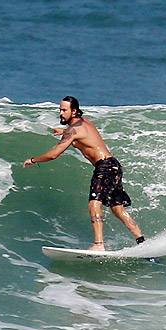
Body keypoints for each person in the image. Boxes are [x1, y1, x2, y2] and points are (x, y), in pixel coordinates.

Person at [23, 96, 145, 251]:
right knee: (118, 209)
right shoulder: (84, 122)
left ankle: (99, 245)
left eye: (64, 110)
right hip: (114, 166)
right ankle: (141, 241)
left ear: (73, 111)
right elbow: (81, 132)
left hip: (104, 167)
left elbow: (53, 154)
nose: (61, 113)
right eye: (60, 110)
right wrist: (64, 131)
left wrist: (33, 160)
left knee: (94, 204)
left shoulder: (73, 131)